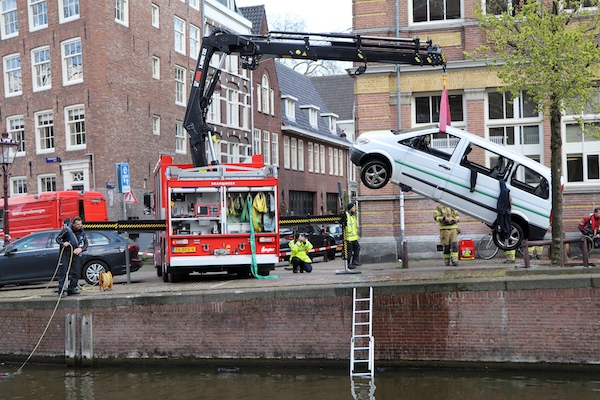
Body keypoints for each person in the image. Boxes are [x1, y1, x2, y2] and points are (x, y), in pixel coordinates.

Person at [55, 216, 88, 297]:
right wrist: (63, 243)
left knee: (76, 272)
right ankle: (61, 290)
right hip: (65, 254)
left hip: (75, 254)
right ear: (73, 224)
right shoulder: (66, 230)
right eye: (77, 224)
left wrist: (81, 249)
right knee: (63, 272)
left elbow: (86, 244)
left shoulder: (82, 232)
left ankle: (72, 288)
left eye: (80, 224)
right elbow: (57, 239)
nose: (79, 226)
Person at [345, 203, 361, 268]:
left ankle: (354, 261)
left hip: (354, 237)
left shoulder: (352, 216)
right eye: (354, 207)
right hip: (348, 238)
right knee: (349, 252)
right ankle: (348, 264)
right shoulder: (346, 216)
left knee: (357, 248)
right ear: (351, 208)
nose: (355, 209)